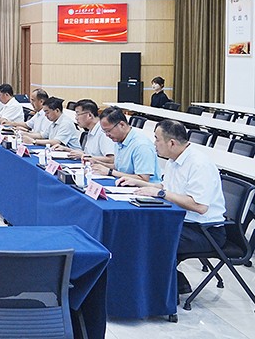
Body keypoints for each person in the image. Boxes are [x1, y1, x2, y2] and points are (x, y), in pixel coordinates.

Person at [117, 119, 225, 295]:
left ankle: (168, 290)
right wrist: (138, 183)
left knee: (148, 239)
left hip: (204, 231)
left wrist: (160, 194)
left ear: (172, 143)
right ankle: (170, 283)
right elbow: (166, 187)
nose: (154, 143)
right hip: (179, 221)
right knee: (134, 229)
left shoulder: (199, 164)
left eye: (157, 139)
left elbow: (199, 206)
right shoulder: (174, 160)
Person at [92, 106, 160, 182]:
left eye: (108, 131)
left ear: (122, 125)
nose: (107, 135)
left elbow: (143, 179)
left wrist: (110, 172)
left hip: (145, 188)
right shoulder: (119, 139)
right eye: (104, 131)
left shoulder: (141, 145)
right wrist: (97, 163)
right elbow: (120, 168)